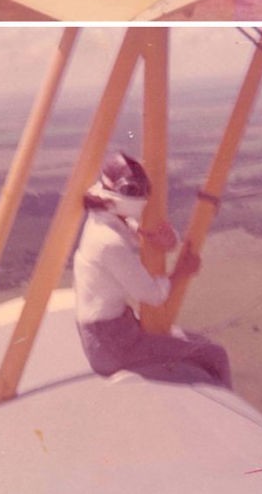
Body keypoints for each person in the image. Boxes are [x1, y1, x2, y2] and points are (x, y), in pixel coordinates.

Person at [73, 150, 232, 387]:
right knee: (214, 356)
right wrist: (183, 271)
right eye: (132, 191)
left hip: (112, 335)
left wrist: (166, 240)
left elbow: (145, 234)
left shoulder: (103, 219)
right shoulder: (108, 241)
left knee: (196, 343)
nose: (139, 197)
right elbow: (153, 295)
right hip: (113, 345)